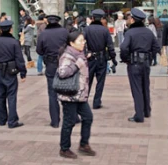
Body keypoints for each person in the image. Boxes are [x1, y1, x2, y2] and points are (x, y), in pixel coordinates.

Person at [58, 31, 95, 159]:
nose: (83, 43)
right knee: (69, 122)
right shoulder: (68, 56)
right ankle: (64, 148)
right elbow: (62, 72)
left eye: (83, 40)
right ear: (71, 43)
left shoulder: (79, 54)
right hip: (70, 95)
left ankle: (84, 144)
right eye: (80, 41)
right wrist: (77, 64)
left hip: (79, 95)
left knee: (88, 117)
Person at [120, 8, 160, 123]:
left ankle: (139, 115)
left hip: (134, 63)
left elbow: (123, 48)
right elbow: (156, 47)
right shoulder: (148, 32)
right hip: (146, 63)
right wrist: (150, 58)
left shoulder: (130, 32)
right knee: (145, 86)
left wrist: (126, 59)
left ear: (133, 20)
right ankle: (146, 111)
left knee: (137, 88)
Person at [0, 20, 27, 128]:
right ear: (11, 29)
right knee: (11, 96)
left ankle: (1, 120)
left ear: (0, 30)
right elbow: (19, 59)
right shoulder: (14, 42)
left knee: (0, 96)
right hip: (11, 71)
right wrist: (23, 73)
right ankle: (12, 121)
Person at [36, 15, 69, 128]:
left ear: (48, 22)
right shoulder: (65, 32)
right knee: (68, 91)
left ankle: (55, 121)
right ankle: (72, 117)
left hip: (50, 65)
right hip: (65, 64)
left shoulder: (44, 33)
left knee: (52, 93)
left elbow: (39, 50)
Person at [83, 9, 116, 109]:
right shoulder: (105, 30)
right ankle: (97, 102)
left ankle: (84, 100)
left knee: (87, 81)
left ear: (92, 18)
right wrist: (113, 58)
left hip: (90, 58)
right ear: (102, 19)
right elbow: (110, 46)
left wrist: (85, 53)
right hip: (102, 58)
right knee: (100, 81)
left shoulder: (87, 30)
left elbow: (82, 43)